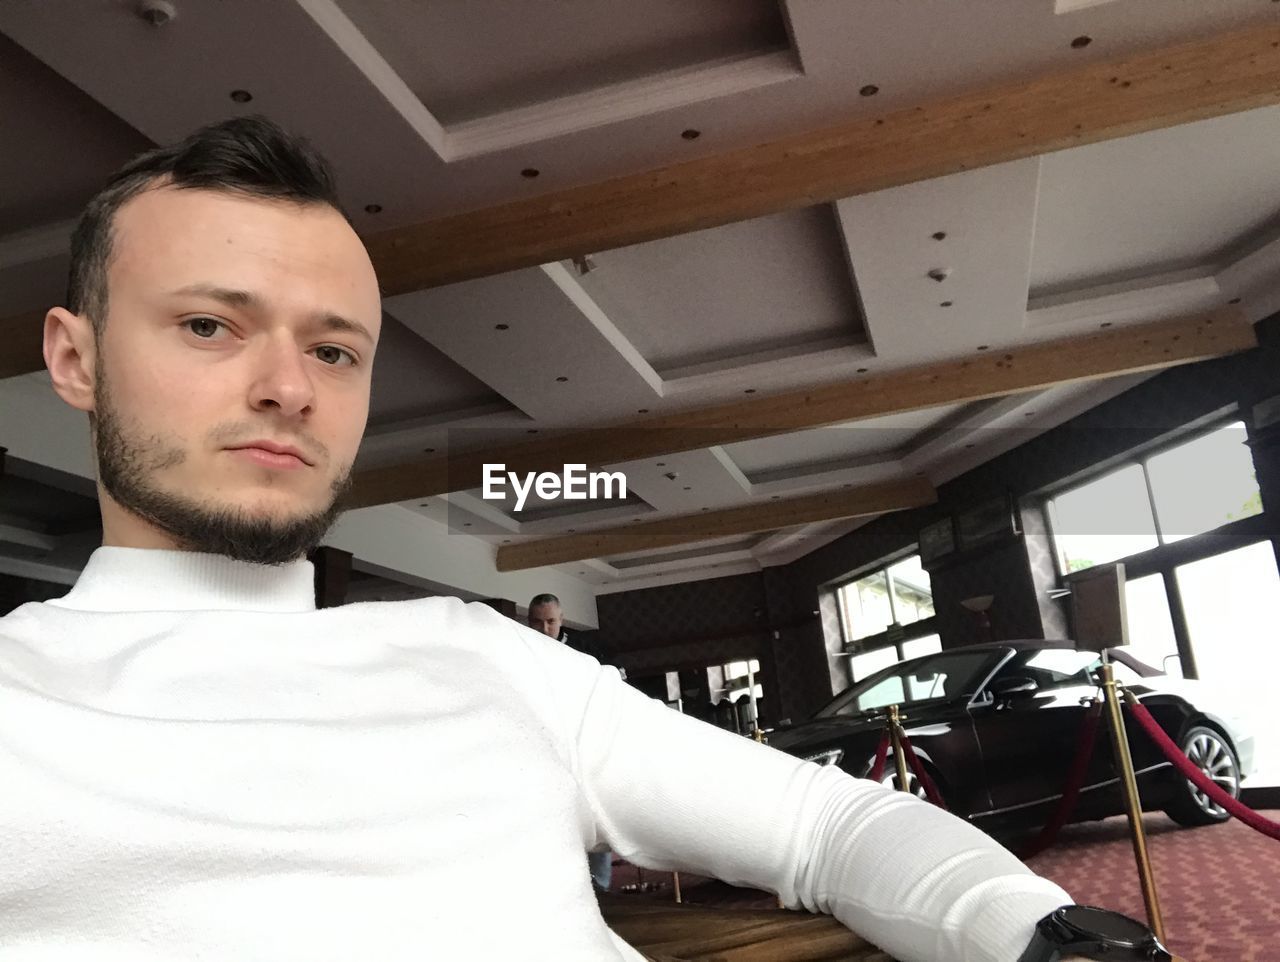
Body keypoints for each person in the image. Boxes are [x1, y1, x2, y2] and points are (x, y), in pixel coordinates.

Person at [0, 115, 1135, 961]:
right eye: (210, 324)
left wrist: (1032, 929)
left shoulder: (483, 652)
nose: (290, 386)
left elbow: (830, 820)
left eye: (335, 349)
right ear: (75, 358)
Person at [528, 592, 614, 894]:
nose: (544, 629)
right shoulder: (520, 648)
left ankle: (601, 885)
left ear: (561, 620)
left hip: (583, 742)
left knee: (592, 813)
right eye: (537, 623)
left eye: (550, 622)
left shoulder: (585, 650)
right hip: (541, 745)